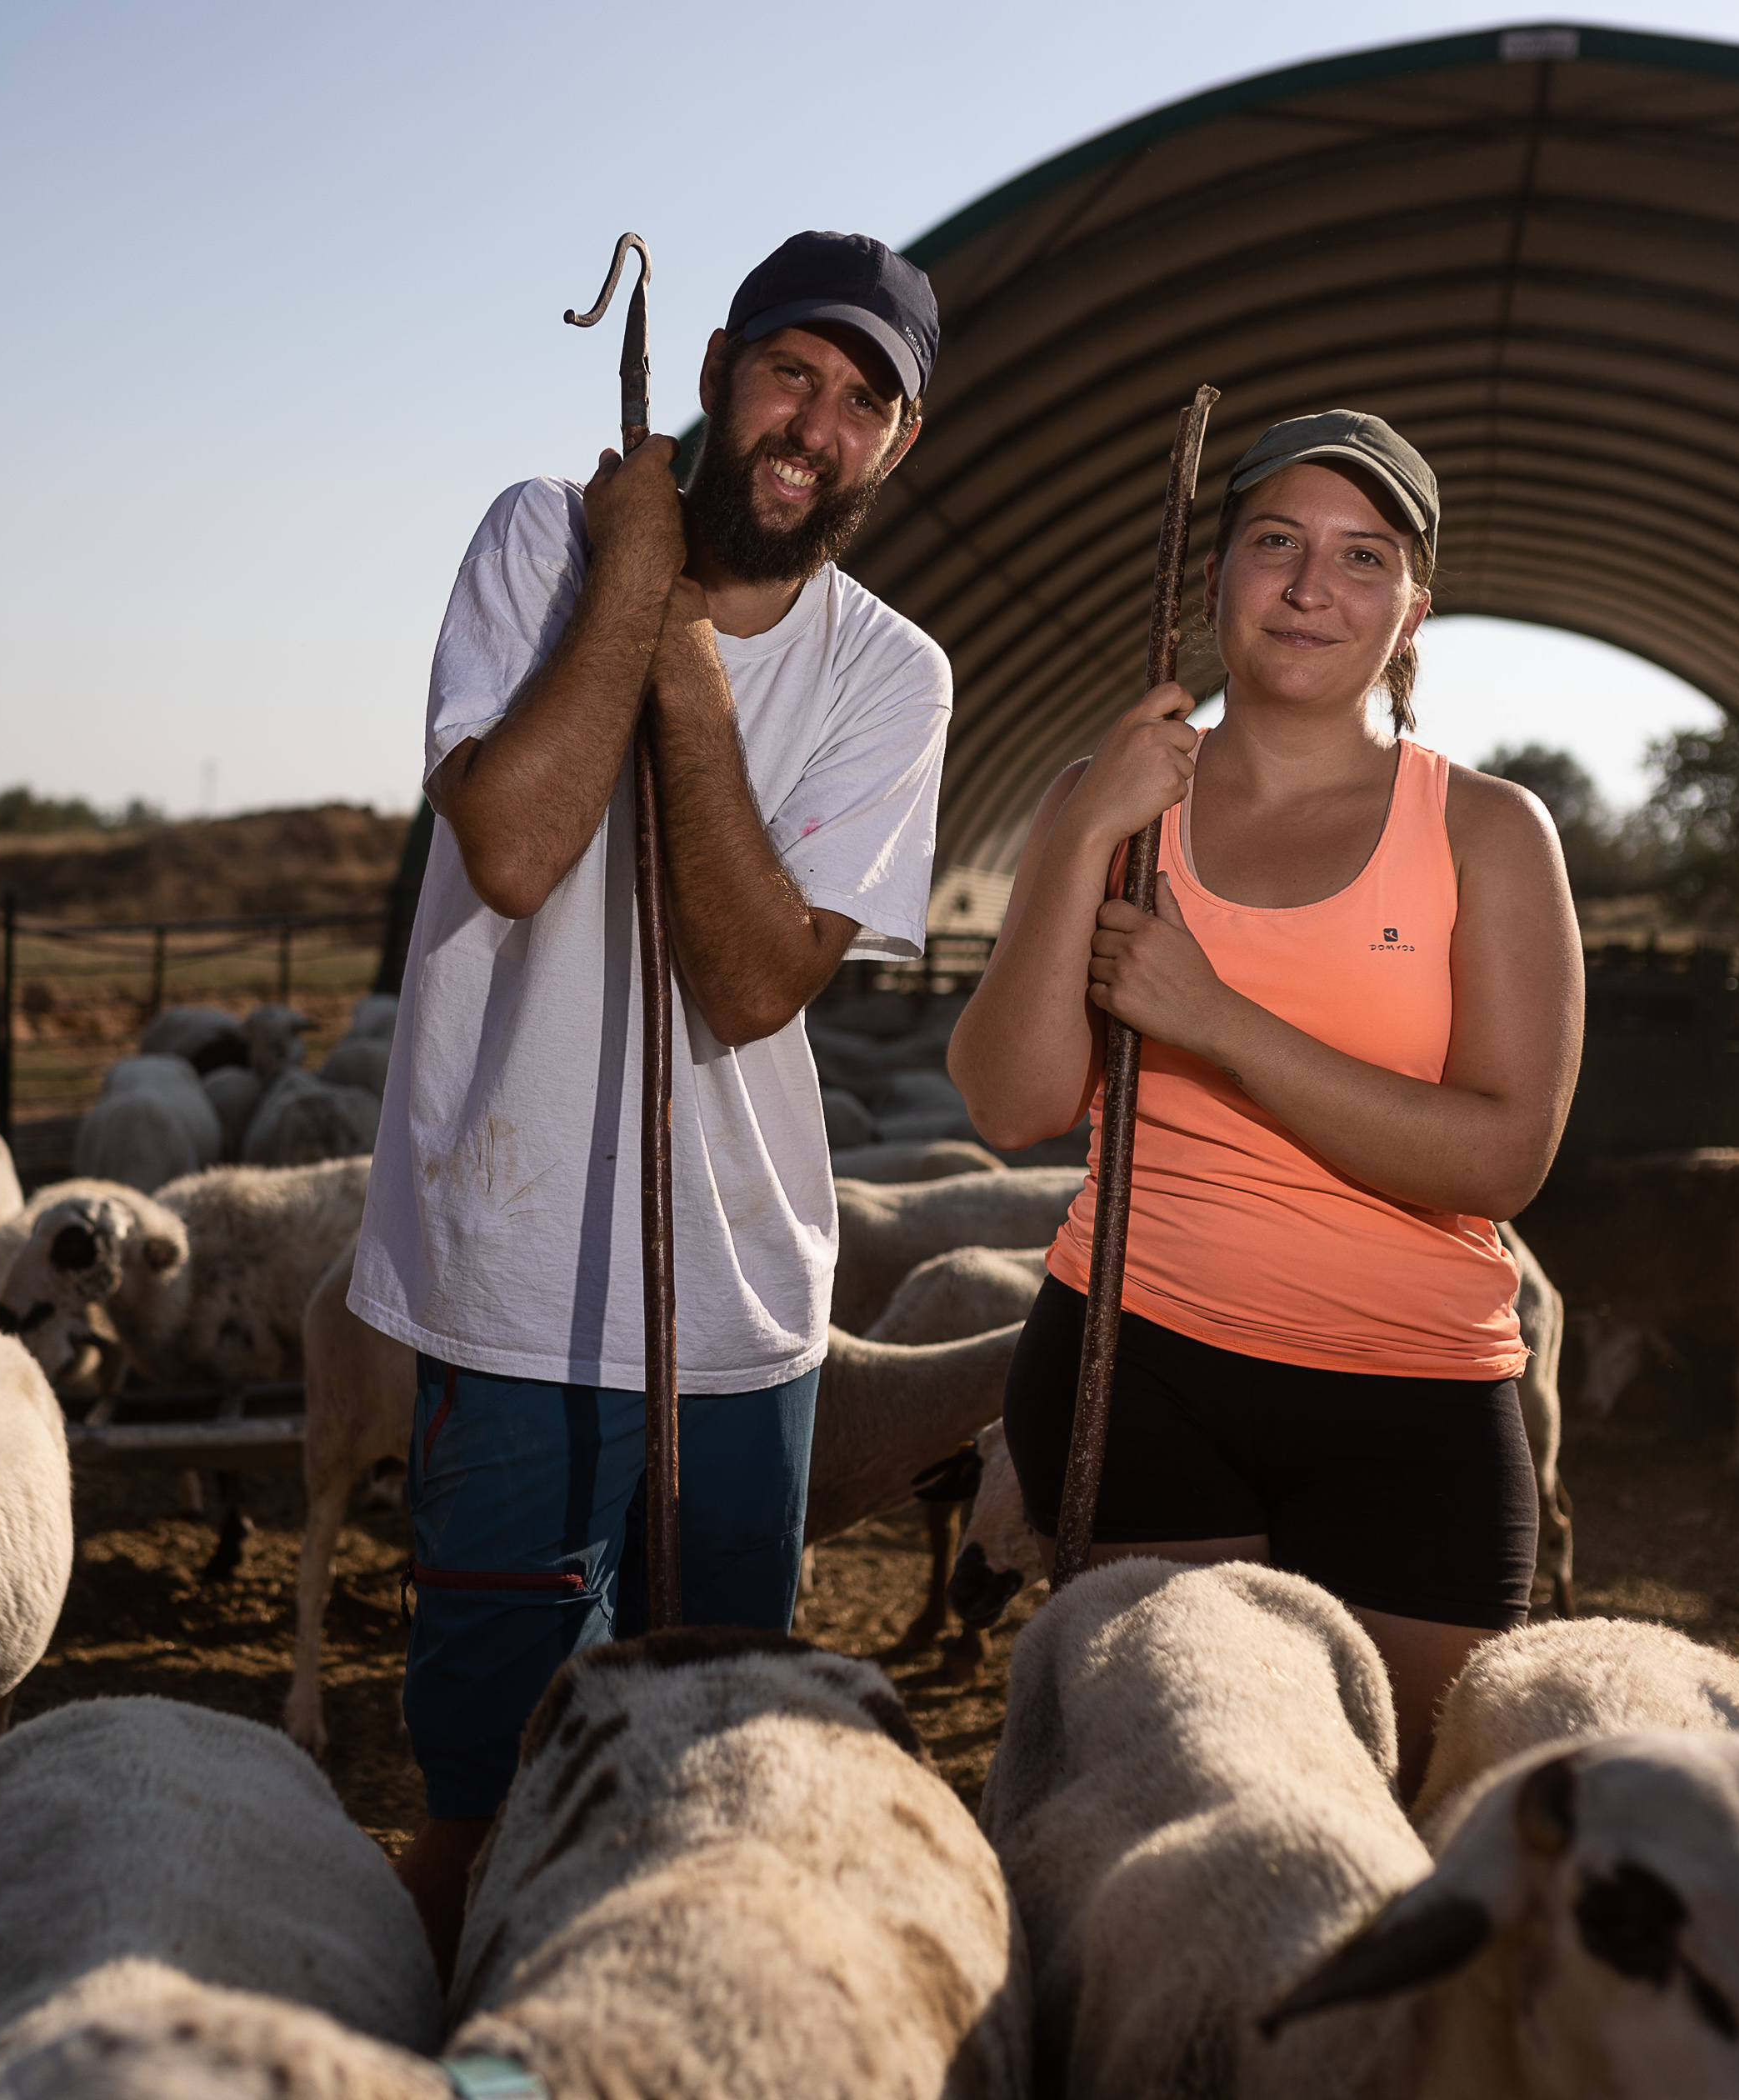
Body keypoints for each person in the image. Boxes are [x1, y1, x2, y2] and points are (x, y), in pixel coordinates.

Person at [351, 231, 952, 1962]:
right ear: (711, 367)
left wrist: (678, 659)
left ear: (894, 447)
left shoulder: (887, 672)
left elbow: (754, 980)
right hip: (514, 1285)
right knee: (488, 1787)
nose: (812, 426)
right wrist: (632, 576)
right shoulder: (545, 537)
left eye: (863, 405)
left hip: (739, 1305)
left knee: (708, 1763)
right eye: (791, 373)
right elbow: (522, 849)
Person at [946, 409, 1582, 1798]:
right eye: (1276, 543)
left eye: (1364, 558)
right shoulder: (1104, 794)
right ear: (1216, 573)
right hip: (1140, 1354)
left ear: (1415, 609)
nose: (1312, 587)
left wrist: (1218, 1023)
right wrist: (1084, 834)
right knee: (1182, 1803)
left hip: (1414, 1399)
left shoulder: (1486, 830)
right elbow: (1013, 1099)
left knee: (1416, 1816)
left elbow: (1503, 1154)